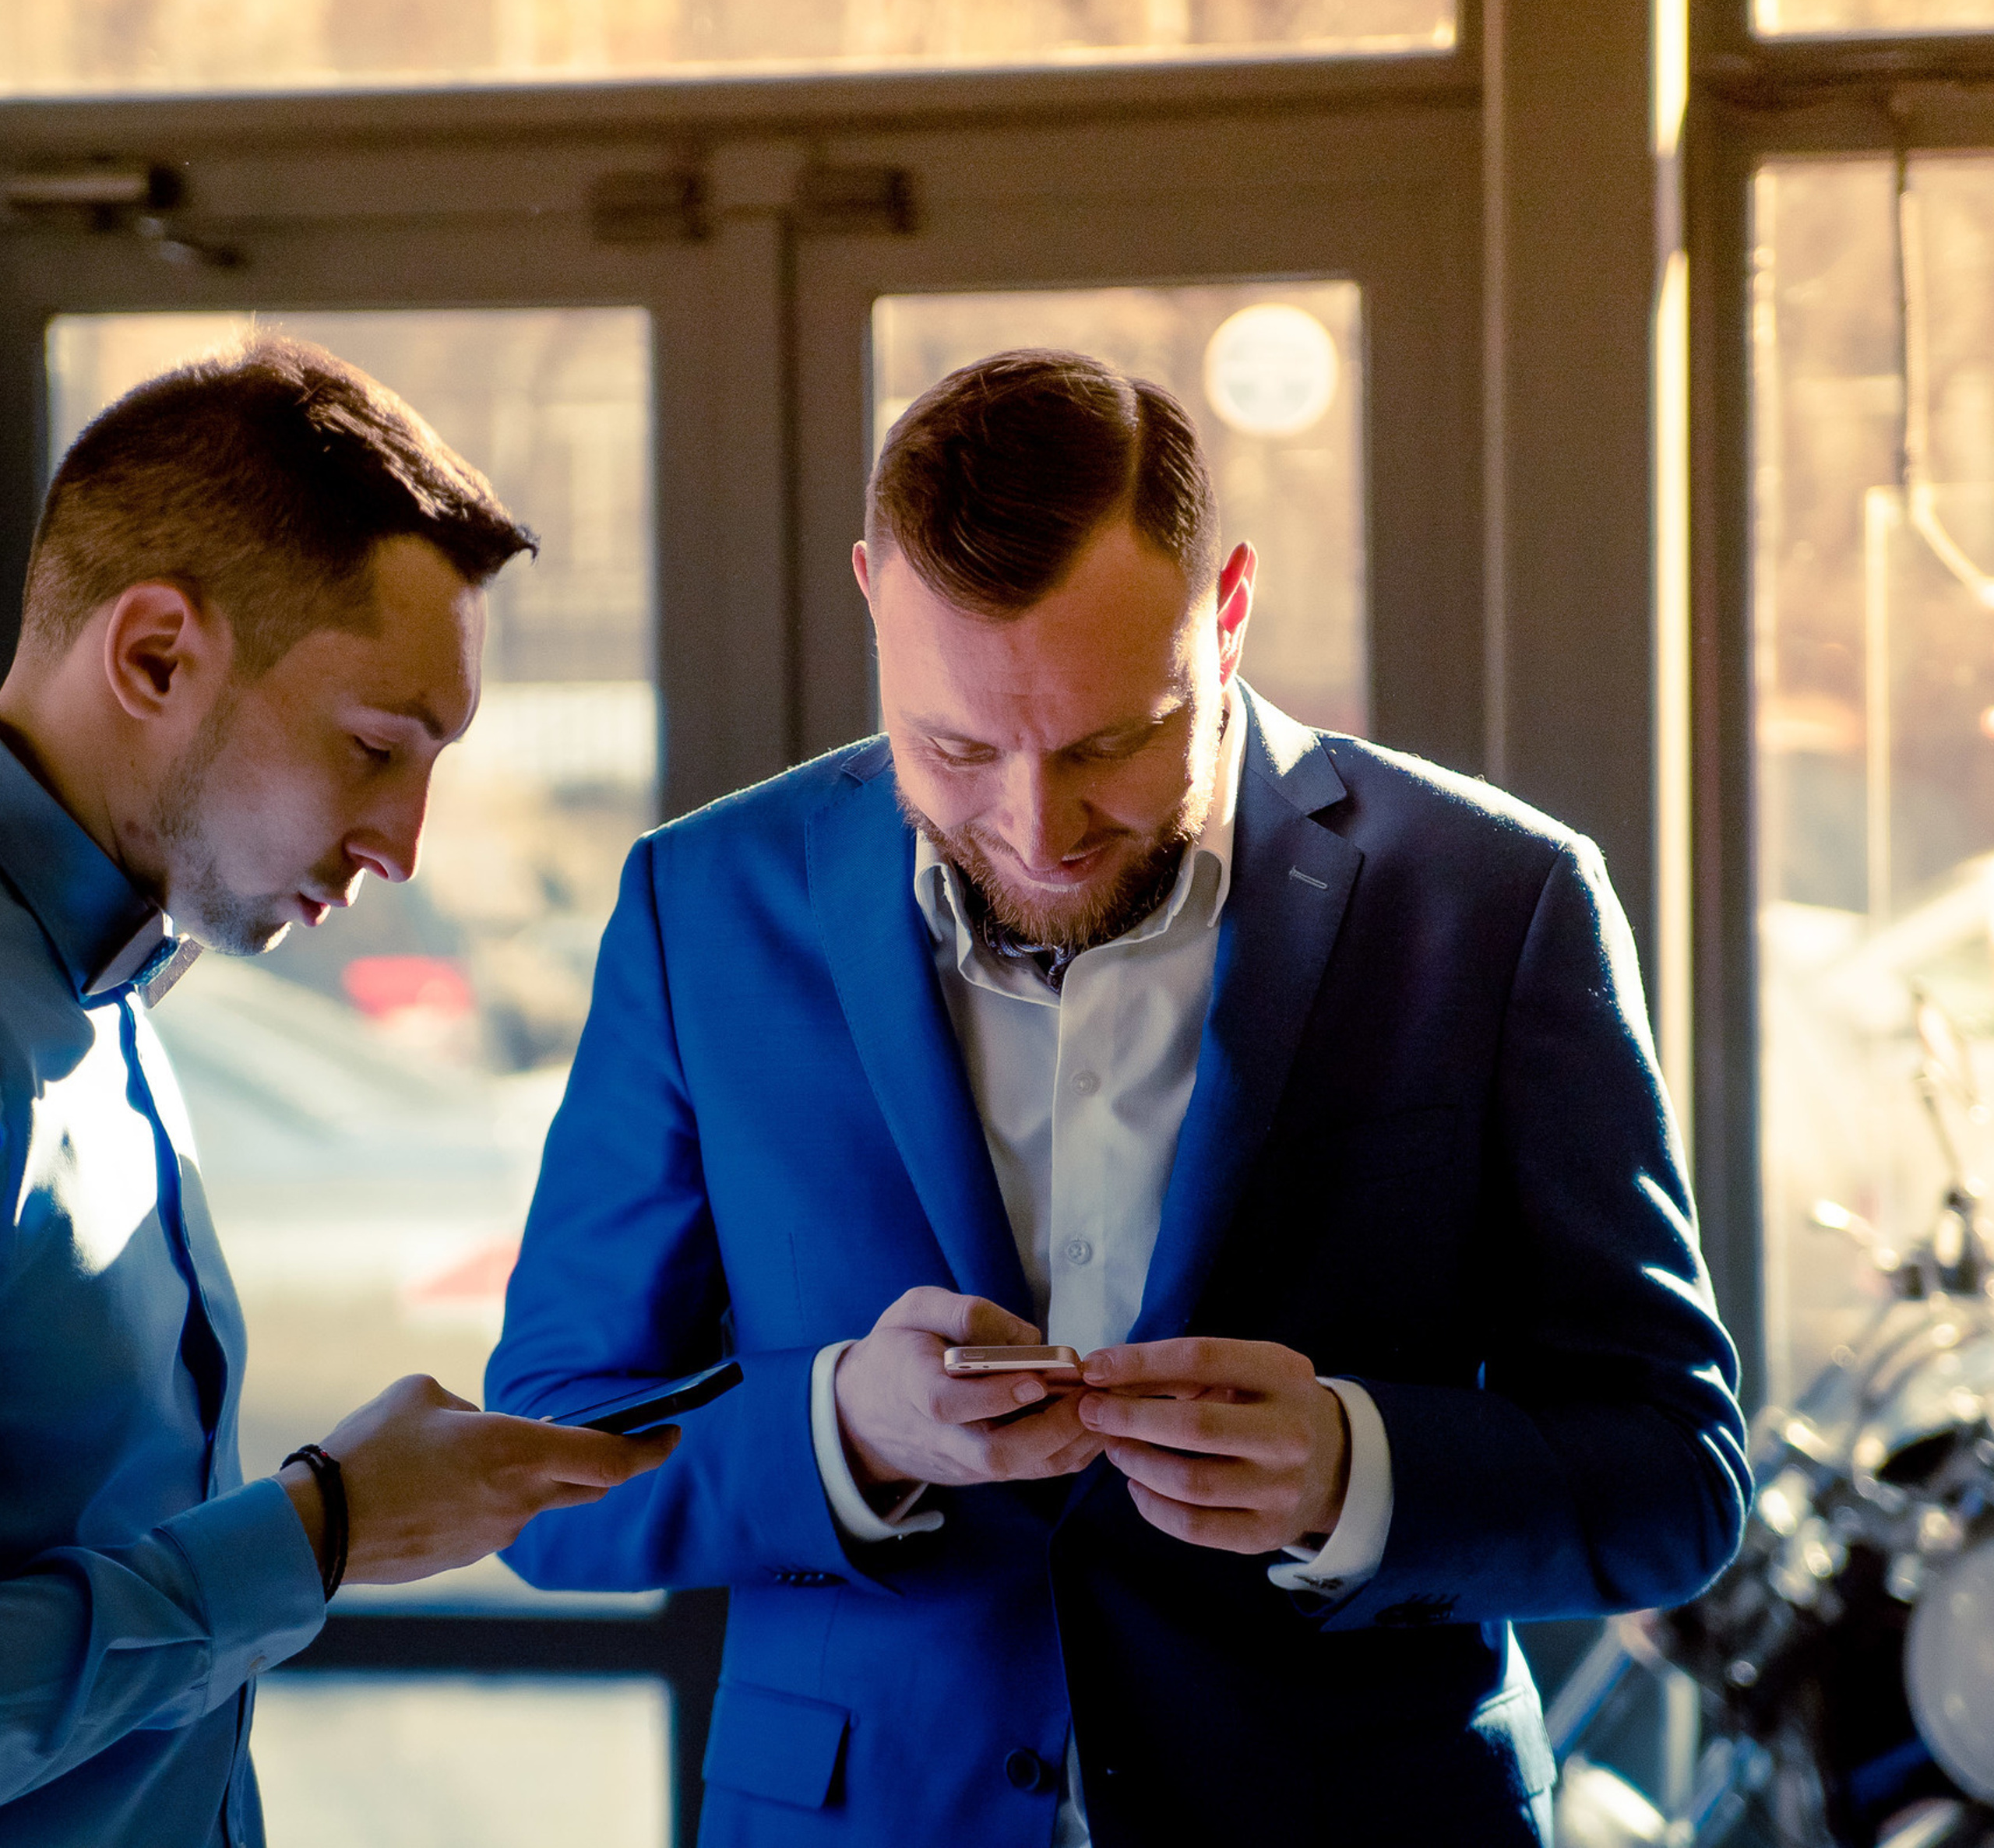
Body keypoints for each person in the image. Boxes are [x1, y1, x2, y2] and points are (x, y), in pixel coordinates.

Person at [488, 349, 1751, 1846]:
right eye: (954, 747)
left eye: (1110, 743)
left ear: (1226, 608)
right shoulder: (701, 905)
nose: (1035, 828)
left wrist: (1358, 1469)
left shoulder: (1498, 901)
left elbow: (1672, 1476)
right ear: (871, 601)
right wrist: (843, 1433)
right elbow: (549, 1465)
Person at [0, 338, 677, 1848]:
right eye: (374, 747)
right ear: (156, 655)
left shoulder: (110, 998)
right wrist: (322, 1531)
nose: (405, 843)